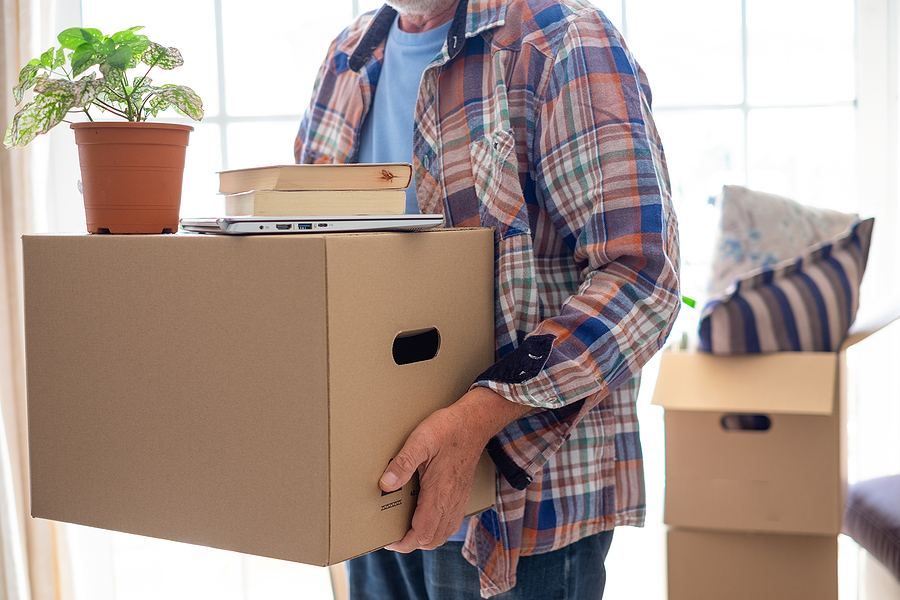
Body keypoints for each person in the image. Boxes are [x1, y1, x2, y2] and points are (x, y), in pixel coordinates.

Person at [294, 0, 681, 597]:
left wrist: (477, 418)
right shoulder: (349, 57)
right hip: (368, 502)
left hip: (519, 513)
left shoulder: (561, 40)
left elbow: (642, 277)